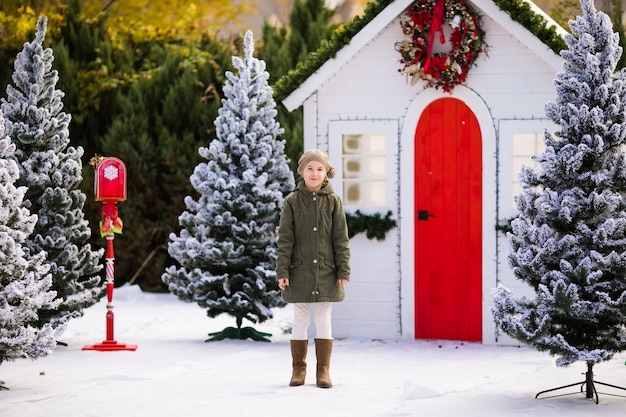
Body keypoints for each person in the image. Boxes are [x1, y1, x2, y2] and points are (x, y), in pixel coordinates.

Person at [276, 149, 351, 389]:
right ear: (302, 172)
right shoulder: (292, 201)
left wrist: (343, 271)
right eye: (310, 168)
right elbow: (285, 239)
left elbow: (341, 239)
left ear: (326, 172)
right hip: (299, 270)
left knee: (322, 317)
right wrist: (283, 271)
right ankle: (298, 369)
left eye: (319, 169)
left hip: (327, 270)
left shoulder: (333, 201)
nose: (314, 173)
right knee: (300, 317)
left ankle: (323, 371)